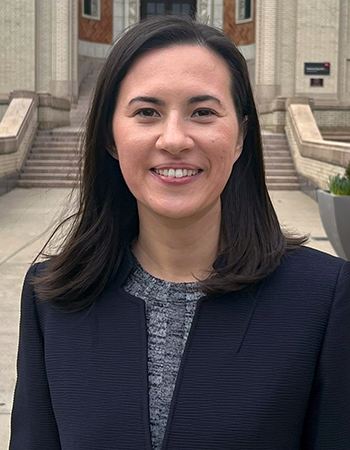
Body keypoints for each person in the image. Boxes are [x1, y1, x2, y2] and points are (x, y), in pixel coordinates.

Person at [9, 15, 350, 450]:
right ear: (111, 137)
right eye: (146, 112)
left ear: (242, 135)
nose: (174, 139)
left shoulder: (324, 298)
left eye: (203, 112)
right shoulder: (51, 298)